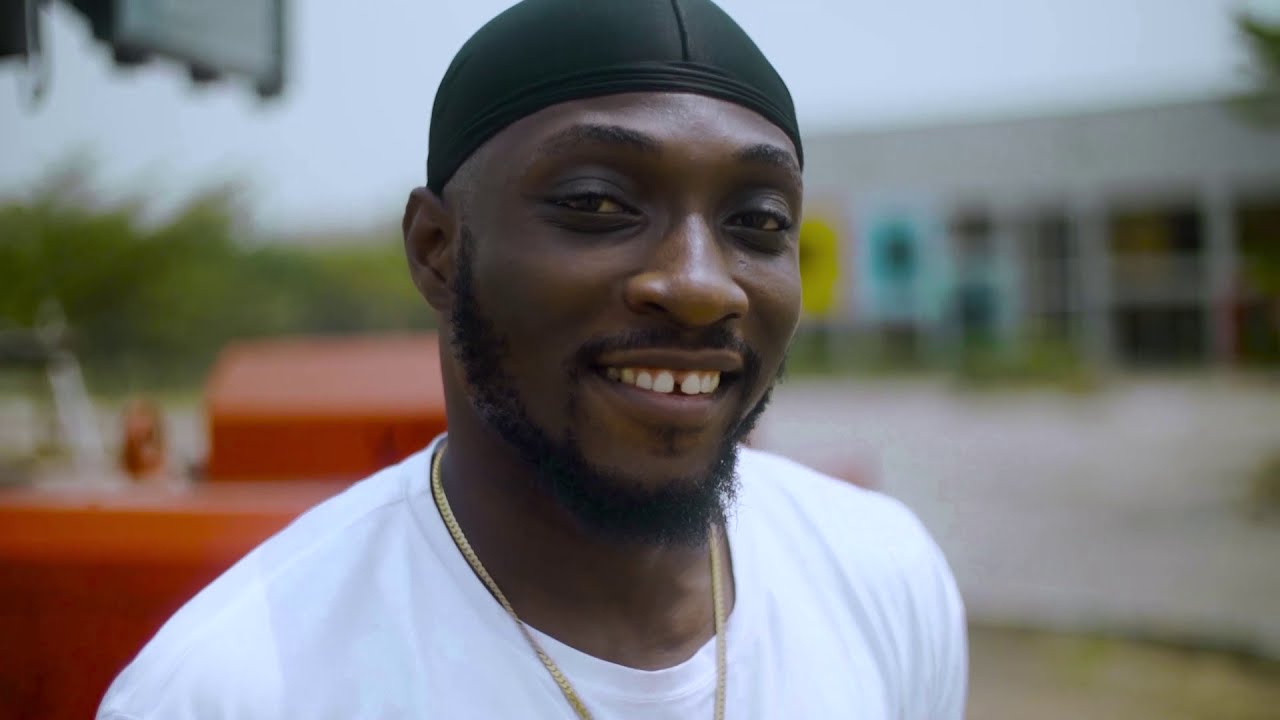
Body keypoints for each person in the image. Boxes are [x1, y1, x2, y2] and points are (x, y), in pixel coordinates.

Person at [98, 1, 967, 717]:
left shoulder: (881, 576)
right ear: (437, 251)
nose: (702, 286)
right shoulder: (233, 688)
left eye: (759, 222)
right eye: (597, 203)